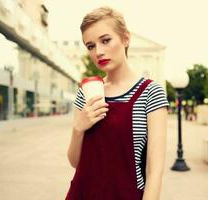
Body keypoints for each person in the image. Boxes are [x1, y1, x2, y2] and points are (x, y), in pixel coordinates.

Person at [66, 6, 169, 200]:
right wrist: (78, 129)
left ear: (126, 38)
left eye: (105, 40)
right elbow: (75, 162)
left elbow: (154, 172)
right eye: (91, 46)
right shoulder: (85, 93)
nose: (99, 51)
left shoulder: (151, 93)